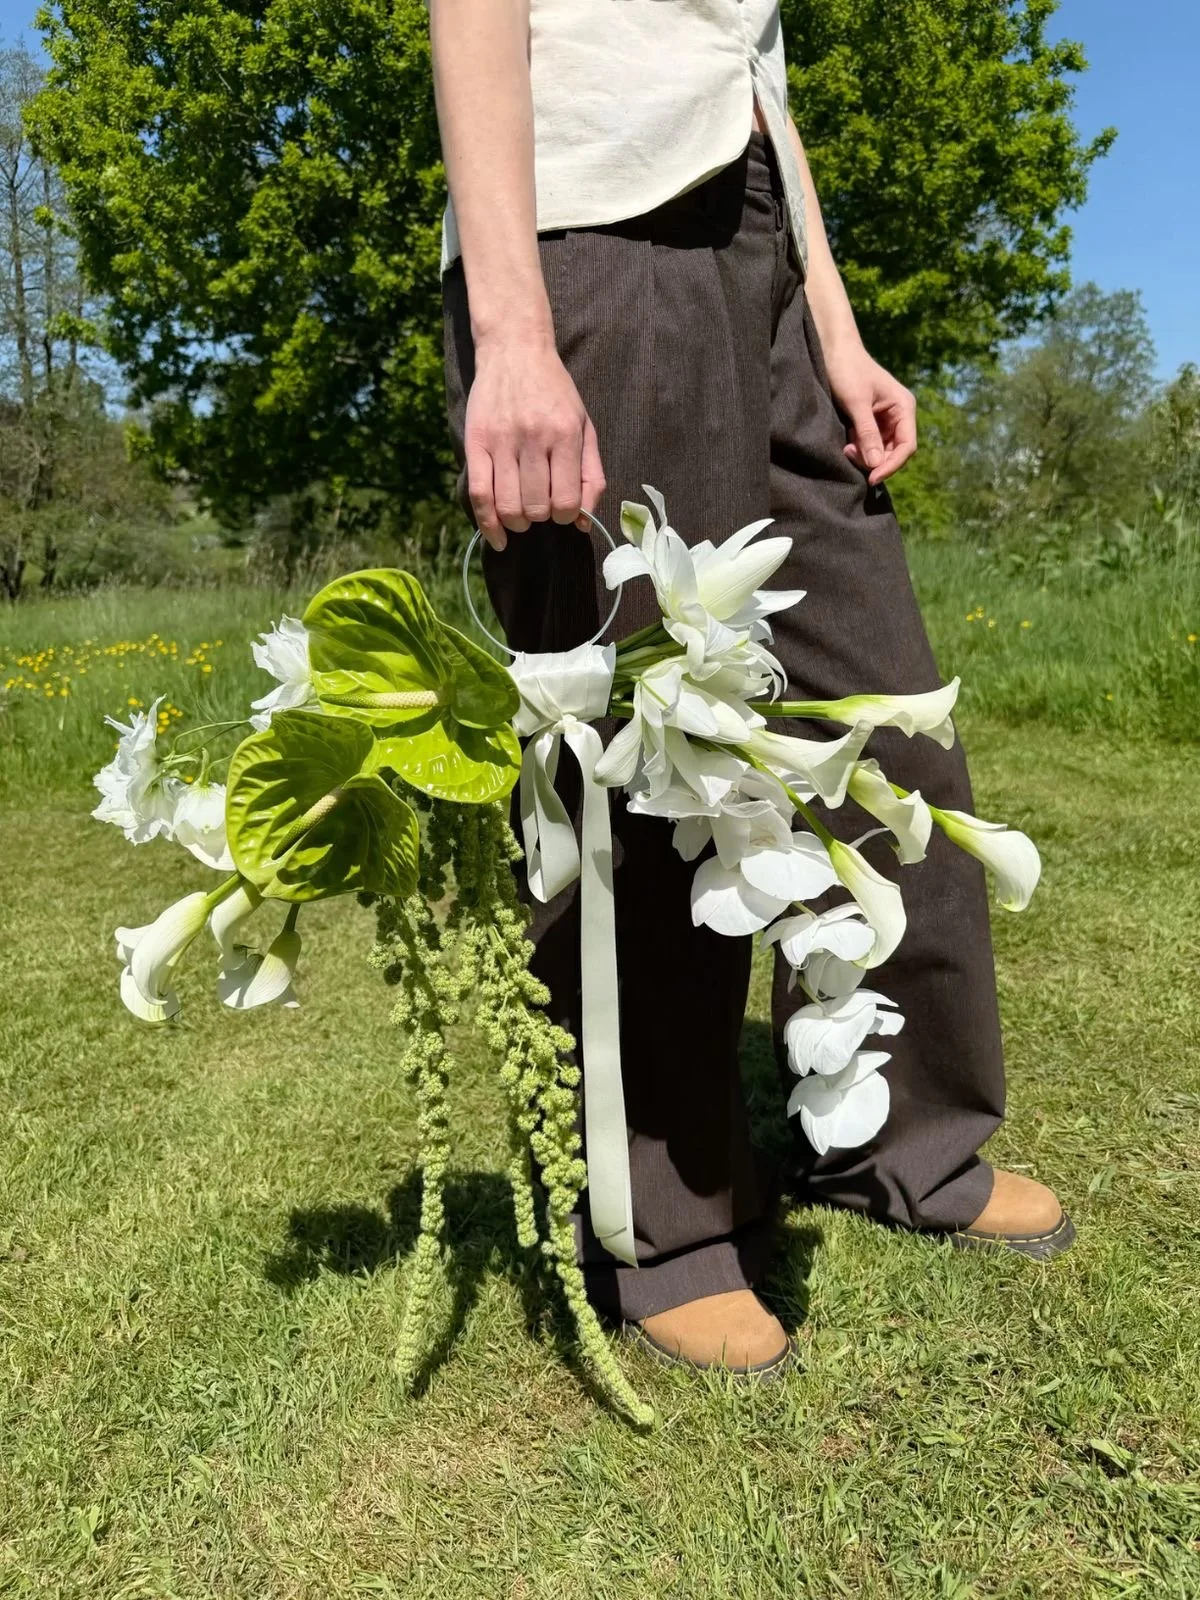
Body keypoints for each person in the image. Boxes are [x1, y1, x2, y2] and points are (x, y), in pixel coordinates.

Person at [429, 0, 1075, 1376]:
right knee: (655, 746)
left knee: (880, 709)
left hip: (754, 240)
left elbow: (750, 65)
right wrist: (513, 330)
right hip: (593, 238)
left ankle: (903, 1132)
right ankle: (660, 1219)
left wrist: (829, 326)